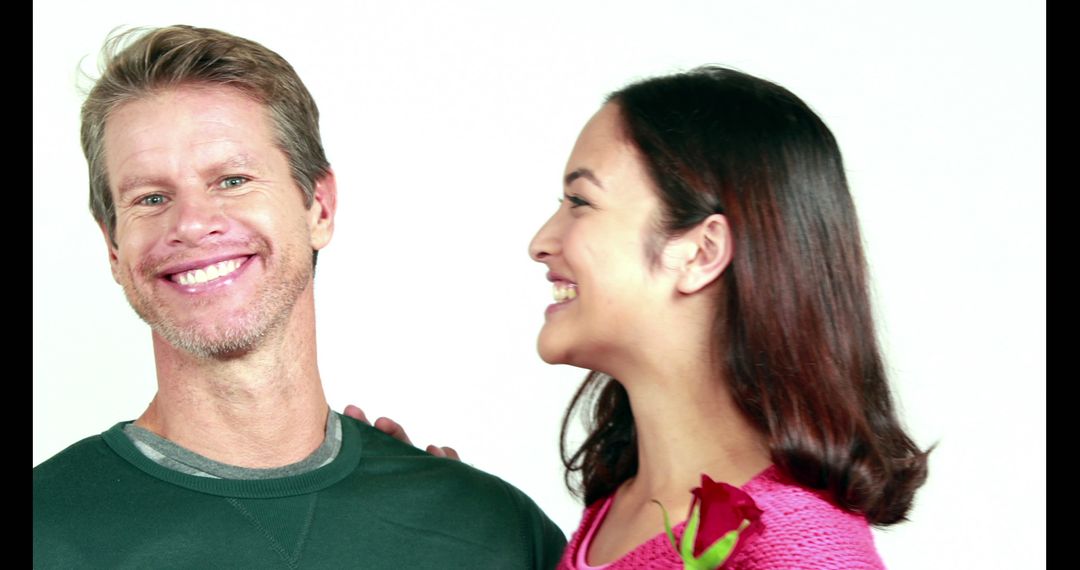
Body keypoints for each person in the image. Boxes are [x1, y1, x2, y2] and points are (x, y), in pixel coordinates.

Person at [32, 25, 566, 569]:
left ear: (319, 208)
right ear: (113, 248)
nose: (192, 224)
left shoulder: (492, 530)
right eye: (150, 197)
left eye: (232, 180)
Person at [524, 66, 932, 568]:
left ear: (701, 252)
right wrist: (445, 512)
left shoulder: (804, 553)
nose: (541, 243)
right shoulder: (614, 514)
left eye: (580, 202)